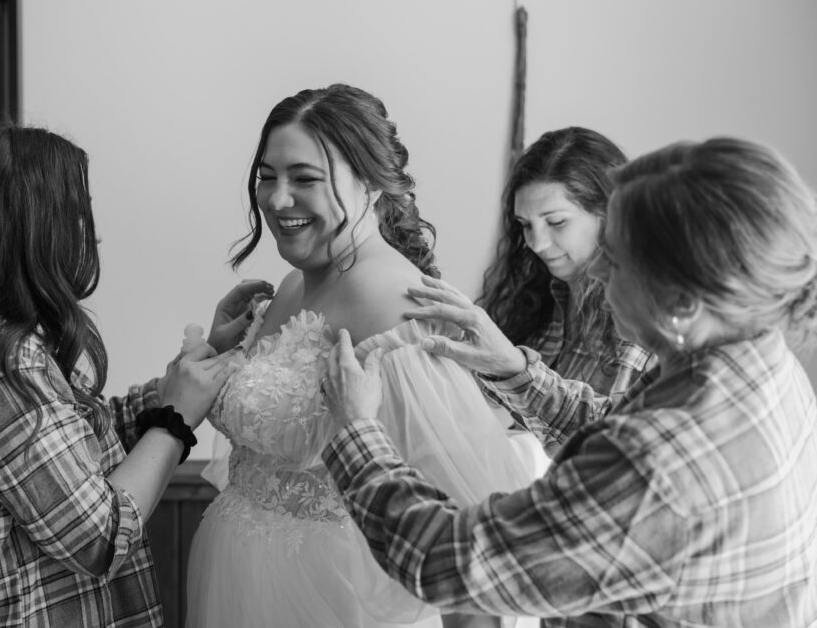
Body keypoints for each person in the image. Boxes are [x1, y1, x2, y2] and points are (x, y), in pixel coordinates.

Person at [322, 137, 817, 626]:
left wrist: (357, 431)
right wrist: (514, 369)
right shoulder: (761, 356)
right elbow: (612, 431)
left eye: (616, 259)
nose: (596, 269)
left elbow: (445, 562)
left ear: (683, 304)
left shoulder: (656, 465)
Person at [0, 124, 271, 627]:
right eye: (75, 213)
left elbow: (75, 449)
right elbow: (100, 536)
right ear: (31, 227)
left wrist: (204, 359)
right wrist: (176, 421)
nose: (90, 231)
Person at [185, 84, 536, 628]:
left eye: (305, 179)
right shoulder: (289, 289)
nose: (277, 200)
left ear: (372, 185)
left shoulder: (392, 303)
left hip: (337, 597)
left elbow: (466, 541)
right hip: (242, 577)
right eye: (267, 176)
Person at [408, 127, 656, 458]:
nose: (537, 243)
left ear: (610, 214)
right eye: (525, 225)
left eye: (556, 223)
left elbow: (620, 441)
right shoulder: (532, 304)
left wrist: (514, 369)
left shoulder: (645, 319)